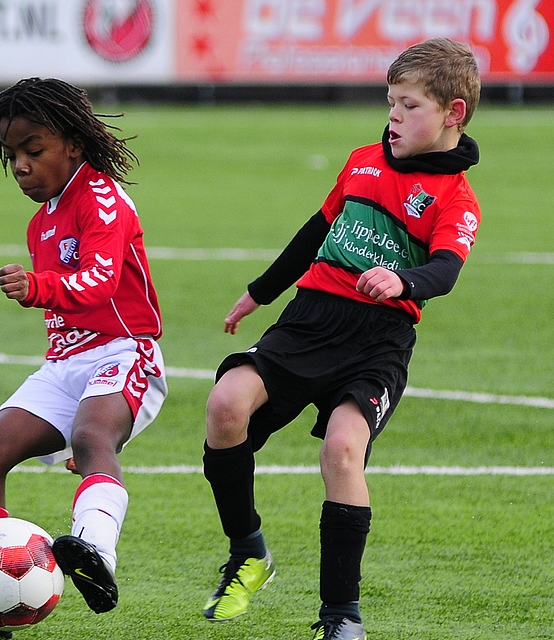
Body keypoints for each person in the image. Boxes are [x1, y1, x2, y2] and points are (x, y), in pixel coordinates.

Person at [199, 38, 483, 640]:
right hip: (309, 319)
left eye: (409, 106)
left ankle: (341, 618)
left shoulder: (457, 199)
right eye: (391, 102)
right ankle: (248, 551)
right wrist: (260, 292)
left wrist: (404, 280)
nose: (393, 116)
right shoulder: (362, 161)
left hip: (378, 341)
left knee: (343, 450)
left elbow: (446, 270)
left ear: (452, 114)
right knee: (226, 404)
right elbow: (316, 231)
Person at [0, 78, 167, 640]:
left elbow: (100, 284)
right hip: (65, 364)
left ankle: (95, 554)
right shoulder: (42, 220)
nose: (21, 166)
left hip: (124, 350)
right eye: (12, 154)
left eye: (34, 150)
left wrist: (37, 286)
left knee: (92, 436)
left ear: (74, 144)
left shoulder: (102, 198)